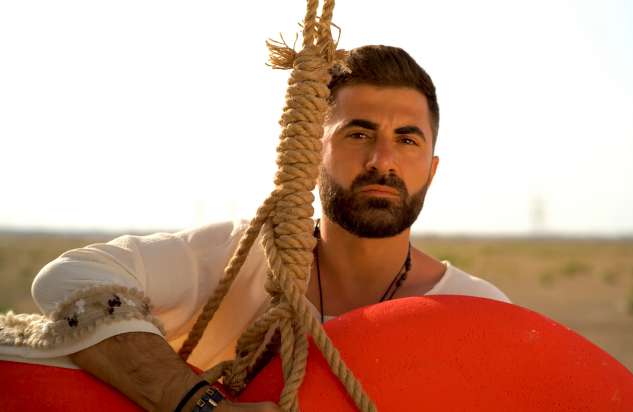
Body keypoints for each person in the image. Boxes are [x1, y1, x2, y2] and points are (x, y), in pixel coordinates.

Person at [4, 45, 510, 411]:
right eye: (359, 134)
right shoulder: (243, 257)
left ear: (432, 169)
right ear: (311, 153)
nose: (383, 160)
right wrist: (195, 403)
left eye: (407, 140)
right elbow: (68, 276)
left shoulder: (478, 311)